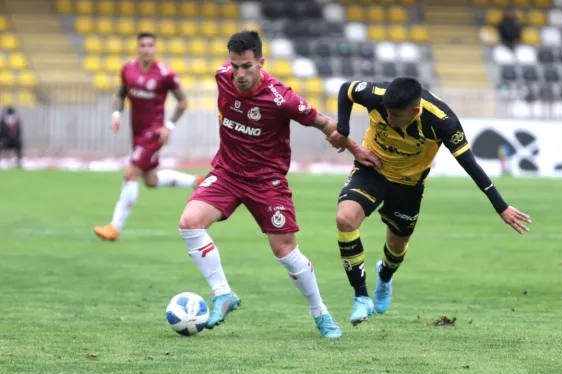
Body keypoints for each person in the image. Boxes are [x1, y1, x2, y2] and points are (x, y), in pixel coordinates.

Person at [178, 30, 380, 338]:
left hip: (266, 182)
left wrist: (355, 149)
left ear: (260, 62)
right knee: (189, 223)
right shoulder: (222, 77)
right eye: (235, 66)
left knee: (285, 251)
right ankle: (223, 294)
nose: (239, 73)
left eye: (246, 66)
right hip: (227, 173)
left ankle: (321, 314)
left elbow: (324, 123)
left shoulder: (281, 98)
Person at [327, 77, 532, 326]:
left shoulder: (443, 121)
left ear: (415, 111)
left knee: (397, 246)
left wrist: (501, 207)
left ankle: (385, 274)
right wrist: (344, 131)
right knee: (344, 219)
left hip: (409, 185)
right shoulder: (377, 94)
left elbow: (471, 166)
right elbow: (346, 89)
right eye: (387, 114)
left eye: (395, 116)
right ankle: (361, 297)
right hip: (372, 168)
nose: (389, 120)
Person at [94, 32, 204, 241]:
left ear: (156, 49)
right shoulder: (128, 69)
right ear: (137, 48)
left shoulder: (165, 74)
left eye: (150, 45)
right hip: (136, 132)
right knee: (151, 180)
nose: (146, 49)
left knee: (130, 172)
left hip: (153, 133)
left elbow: (183, 101)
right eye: (142, 45)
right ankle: (196, 181)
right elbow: (120, 94)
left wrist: (169, 126)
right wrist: (116, 114)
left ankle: (114, 227)